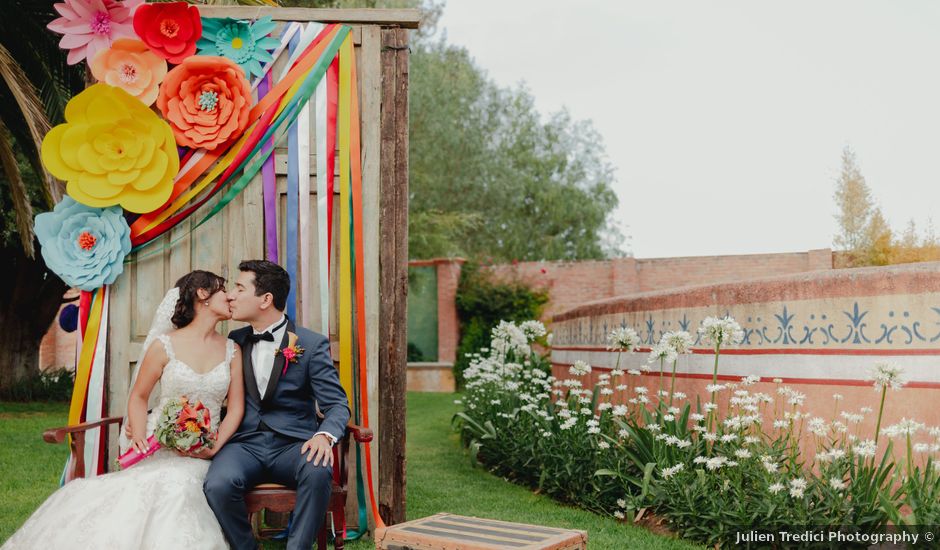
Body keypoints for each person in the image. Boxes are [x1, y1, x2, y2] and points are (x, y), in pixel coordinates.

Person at [2, 270, 243, 550]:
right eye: (223, 289)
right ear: (203, 294)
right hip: (160, 445)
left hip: (205, 449)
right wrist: (140, 436)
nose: (230, 296)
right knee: (156, 485)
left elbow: (236, 407)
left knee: (180, 483)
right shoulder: (164, 346)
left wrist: (212, 446)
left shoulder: (231, 350)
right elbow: (139, 397)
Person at [204, 260, 350, 550]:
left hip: (293, 445)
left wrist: (324, 435)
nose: (231, 295)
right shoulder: (234, 341)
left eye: (239, 288)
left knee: (318, 469)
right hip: (244, 444)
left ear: (265, 299)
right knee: (217, 484)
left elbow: (337, 404)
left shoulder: (311, 343)